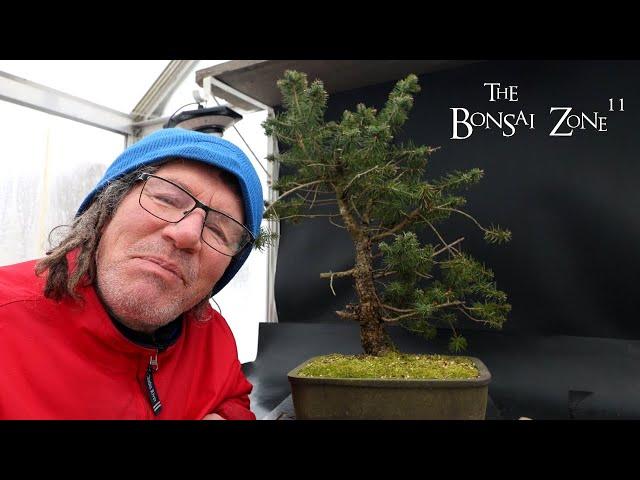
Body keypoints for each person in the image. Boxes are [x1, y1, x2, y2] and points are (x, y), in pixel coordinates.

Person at [0, 128, 264, 420]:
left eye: (217, 229)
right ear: (105, 210)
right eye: (166, 199)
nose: (188, 234)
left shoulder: (212, 336)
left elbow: (232, 396)